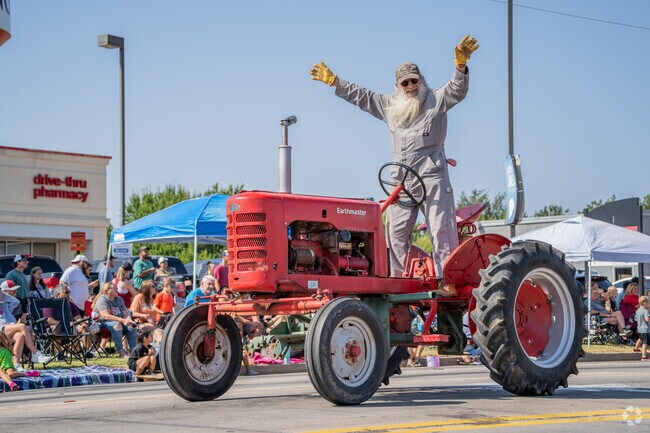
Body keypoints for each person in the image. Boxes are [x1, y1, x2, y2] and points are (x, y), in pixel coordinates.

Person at [310, 36, 478, 295]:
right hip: (401, 181)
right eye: (405, 82)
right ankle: (396, 285)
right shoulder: (389, 105)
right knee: (395, 234)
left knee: (440, 230)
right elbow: (362, 96)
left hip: (432, 176)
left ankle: (449, 282)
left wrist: (460, 66)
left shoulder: (436, 99)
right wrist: (335, 82)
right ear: (397, 86)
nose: (410, 86)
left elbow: (457, 90)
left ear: (421, 80)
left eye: (414, 80)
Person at [0, 282, 52, 367]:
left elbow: (16, 301)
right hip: (1, 329)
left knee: (20, 336)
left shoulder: (4, 303)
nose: (0, 293)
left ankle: (16, 364)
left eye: (0, 291)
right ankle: (35, 353)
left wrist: (4, 295)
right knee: (22, 326)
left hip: (8, 328)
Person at [91, 281, 138, 357]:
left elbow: (125, 314)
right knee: (117, 324)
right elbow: (105, 316)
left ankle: (134, 351)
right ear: (107, 290)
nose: (117, 289)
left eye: (117, 287)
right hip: (102, 323)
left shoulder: (119, 299)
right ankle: (121, 352)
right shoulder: (102, 299)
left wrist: (129, 320)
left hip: (117, 322)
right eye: (114, 288)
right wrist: (122, 320)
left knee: (132, 326)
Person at [633, 296, 649, 361]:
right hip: (645, 328)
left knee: (640, 339)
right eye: (649, 303)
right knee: (645, 342)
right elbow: (647, 319)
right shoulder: (645, 311)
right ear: (645, 303)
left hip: (639, 328)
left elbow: (635, 319)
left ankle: (636, 349)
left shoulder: (638, 310)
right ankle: (644, 356)